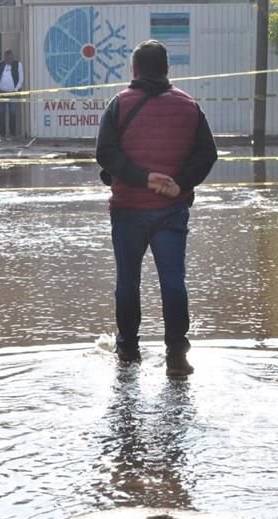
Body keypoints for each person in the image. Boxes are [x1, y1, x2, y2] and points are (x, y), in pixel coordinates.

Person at [95, 39, 218, 376]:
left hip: (127, 209)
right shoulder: (189, 106)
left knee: (127, 282)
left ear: (134, 69)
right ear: (166, 69)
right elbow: (208, 154)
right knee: (173, 281)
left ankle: (128, 353)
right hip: (172, 209)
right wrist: (181, 182)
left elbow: (105, 154)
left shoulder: (119, 104)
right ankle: (177, 354)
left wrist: (141, 178)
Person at [0, 49, 24, 139]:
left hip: (13, 93)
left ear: (12, 57)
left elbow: (21, 79)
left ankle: (12, 133)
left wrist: (16, 89)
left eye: (10, 58)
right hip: (1, 92)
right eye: (7, 58)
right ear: (4, 57)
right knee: (1, 113)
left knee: (12, 112)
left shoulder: (18, 64)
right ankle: (2, 134)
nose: (8, 60)